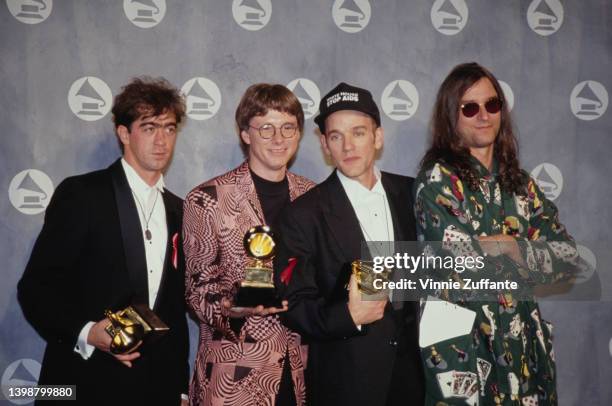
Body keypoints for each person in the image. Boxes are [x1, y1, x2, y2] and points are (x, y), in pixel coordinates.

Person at [17, 77, 190, 405]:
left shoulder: (179, 210)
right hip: (87, 382)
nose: (161, 140)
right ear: (124, 133)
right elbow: (35, 289)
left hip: (156, 388)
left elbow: (173, 312)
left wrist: (180, 388)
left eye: (169, 128)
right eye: (149, 127)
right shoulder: (82, 195)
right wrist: (88, 332)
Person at [414, 62, 578, 405]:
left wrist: (510, 247)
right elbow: (464, 269)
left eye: (492, 104)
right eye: (470, 108)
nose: (483, 116)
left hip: (523, 359)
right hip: (464, 355)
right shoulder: (437, 180)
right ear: (451, 116)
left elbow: (567, 260)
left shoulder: (520, 184)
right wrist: (529, 256)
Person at [273, 82, 425, 406]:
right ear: (326, 146)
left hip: (415, 380)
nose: (347, 146)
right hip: (345, 384)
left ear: (378, 137)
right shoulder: (303, 214)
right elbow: (294, 305)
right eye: (336, 136)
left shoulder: (413, 195)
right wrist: (348, 315)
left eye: (358, 132)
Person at [183, 83, 315, 406]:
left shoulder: (314, 197)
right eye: (266, 128)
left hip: (300, 373)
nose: (278, 138)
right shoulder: (207, 199)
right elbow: (197, 290)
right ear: (245, 133)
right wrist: (232, 306)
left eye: (288, 128)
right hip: (232, 378)